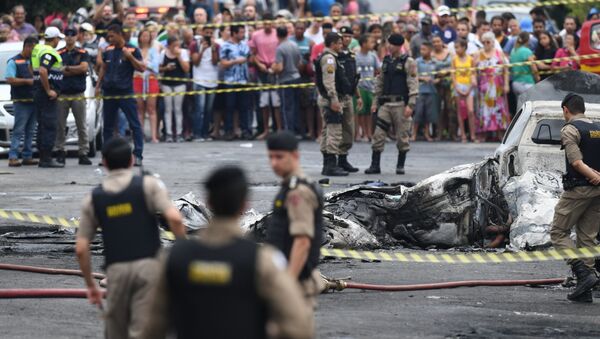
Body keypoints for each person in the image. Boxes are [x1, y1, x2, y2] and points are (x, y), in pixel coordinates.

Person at [142, 165, 312, 339]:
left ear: (208, 201)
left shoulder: (174, 258)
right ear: (244, 205)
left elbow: (152, 327)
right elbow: (298, 327)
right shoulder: (263, 259)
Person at [75, 137, 186, 338]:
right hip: (150, 268)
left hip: (117, 272)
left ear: (105, 162)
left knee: (116, 331)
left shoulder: (94, 198)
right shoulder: (148, 185)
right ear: (132, 160)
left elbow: (81, 248)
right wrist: (185, 252)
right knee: (146, 330)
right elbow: (175, 219)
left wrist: (91, 285)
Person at [265, 131, 324, 335]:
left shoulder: (298, 192)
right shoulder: (290, 186)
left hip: (296, 285)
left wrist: (287, 285)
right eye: (271, 157)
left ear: (295, 156)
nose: (274, 163)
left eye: (279, 157)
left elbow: (302, 242)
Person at [550, 93, 600, 303]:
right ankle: (585, 288)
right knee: (587, 237)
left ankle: (583, 274)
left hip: (579, 189)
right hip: (598, 192)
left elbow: (576, 163)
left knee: (558, 232)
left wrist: (594, 177)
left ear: (565, 110)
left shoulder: (570, 129)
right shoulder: (597, 128)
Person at [365, 34, 418, 175]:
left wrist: (411, 105)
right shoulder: (386, 61)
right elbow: (380, 82)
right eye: (389, 44)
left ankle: (400, 165)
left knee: (402, 136)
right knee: (378, 134)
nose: (389, 46)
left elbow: (413, 84)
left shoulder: (408, 62)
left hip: (400, 104)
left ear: (399, 46)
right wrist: (375, 102)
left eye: (392, 44)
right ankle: (375, 165)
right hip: (386, 104)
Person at [96, 24, 146, 166]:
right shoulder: (108, 50)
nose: (110, 39)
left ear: (120, 34)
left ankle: (138, 155)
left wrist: (130, 57)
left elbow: (142, 68)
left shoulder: (132, 49)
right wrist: (98, 86)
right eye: (108, 36)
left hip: (125, 92)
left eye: (112, 36)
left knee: (134, 124)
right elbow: (103, 68)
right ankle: (106, 156)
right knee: (108, 126)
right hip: (109, 92)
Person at [315, 32, 351, 177]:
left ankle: (327, 165)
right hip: (330, 100)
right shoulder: (329, 59)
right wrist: (334, 100)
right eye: (339, 43)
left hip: (327, 99)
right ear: (333, 44)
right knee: (334, 132)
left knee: (327, 131)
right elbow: (329, 82)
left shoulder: (328, 57)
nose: (341, 46)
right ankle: (330, 165)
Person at [55, 27, 92, 166]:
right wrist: (73, 70)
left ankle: (83, 153)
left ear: (77, 37)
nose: (70, 38)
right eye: (67, 35)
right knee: (60, 125)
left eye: (73, 35)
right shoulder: (59, 53)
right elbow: (57, 70)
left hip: (77, 93)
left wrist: (68, 69)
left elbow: (84, 68)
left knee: (81, 125)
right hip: (63, 93)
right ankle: (60, 151)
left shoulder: (82, 52)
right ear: (64, 37)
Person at [32, 27, 64, 168]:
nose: (59, 41)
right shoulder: (48, 52)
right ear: (55, 39)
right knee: (49, 125)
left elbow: (32, 68)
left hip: (38, 91)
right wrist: (49, 90)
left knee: (42, 125)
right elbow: (43, 70)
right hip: (46, 95)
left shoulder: (38, 48)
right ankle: (46, 159)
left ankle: (43, 157)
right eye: (58, 38)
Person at [7, 36, 38, 167]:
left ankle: (27, 156)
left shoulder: (35, 60)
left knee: (30, 130)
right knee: (19, 129)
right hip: (21, 101)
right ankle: (13, 156)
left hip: (34, 100)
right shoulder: (14, 61)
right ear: (27, 47)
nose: (35, 51)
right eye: (33, 48)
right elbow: (10, 79)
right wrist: (27, 81)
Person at [250, 13, 281, 140]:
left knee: (276, 102)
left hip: (275, 69)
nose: (268, 25)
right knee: (264, 102)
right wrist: (259, 64)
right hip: (261, 69)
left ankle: (279, 129)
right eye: (265, 23)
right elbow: (253, 54)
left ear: (273, 23)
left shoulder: (277, 34)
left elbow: (281, 51)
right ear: (262, 23)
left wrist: (275, 64)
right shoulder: (256, 35)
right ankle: (266, 130)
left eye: (270, 23)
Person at [336, 26, 362, 173]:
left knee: (348, 129)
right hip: (337, 96)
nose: (347, 39)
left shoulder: (351, 56)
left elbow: (353, 79)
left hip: (348, 95)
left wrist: (358, 96)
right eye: (344, 36)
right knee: (335, 129)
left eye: (349, 36)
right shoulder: (335, 55)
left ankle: (343, 159)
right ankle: (333, 161)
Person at [220, 24, 251, 141]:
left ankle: (245, 130)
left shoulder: (244, 45)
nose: (243, 35)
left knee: (244, 107)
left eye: (244, 32)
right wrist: (235, 61)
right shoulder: (225, 46)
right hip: (230, 80)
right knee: (230, 107)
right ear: (234, 33)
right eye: (241, 32)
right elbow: (223, 63)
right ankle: (229, 130)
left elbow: (248, 58)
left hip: (243, 80)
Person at [476, 31, 510, 142]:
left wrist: (506, 84)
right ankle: (484, 133)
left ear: (492, 42)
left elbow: (505, 69)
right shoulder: (478, 54)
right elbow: (473, 70)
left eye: (488, 42)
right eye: (484, 42)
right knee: (484, 109)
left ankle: (500, 133)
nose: (486, 44)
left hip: (497, 85)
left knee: (499, 109)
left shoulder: (499, 53)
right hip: (484, 86)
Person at [159, 36, 190, 143]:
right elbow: (158, 68)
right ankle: (169, 133)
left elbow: (186, 69)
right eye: (174, 46)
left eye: (178, 45)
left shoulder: (183, 52)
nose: (176, 47)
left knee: (178, 109)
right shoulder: (163, 53)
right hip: (166, 84)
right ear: (169, 45)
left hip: (180, 83)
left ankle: (179, 133)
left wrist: (179, 56)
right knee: (168, 109)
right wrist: (166, 68)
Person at [190, 25, 219, 141]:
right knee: (200, 108)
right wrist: (202, 50)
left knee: (208, 109)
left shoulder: (216, 45)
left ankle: (205, 133)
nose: (208, 35)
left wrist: (212, 49)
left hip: (212, 79)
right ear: (202, 32)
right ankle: (197, 133)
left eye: (211, 33)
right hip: (199, 80)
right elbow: (195, 62)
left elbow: (215, 61)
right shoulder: (195, 45)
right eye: (206, 32)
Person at [272, 26, 302, 134]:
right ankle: (298, 130)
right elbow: (299, 63)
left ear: (277, 35)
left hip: (286, 80)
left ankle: (288, 131)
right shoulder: (294, 45)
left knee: (286, 108)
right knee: (296, 106)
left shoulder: (280, 48)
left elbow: (279, 68)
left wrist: (273, 68)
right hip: (296, 77)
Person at [135, 29, 161, 143]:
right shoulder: (136, 50)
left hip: (150, 79)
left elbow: (156, 67)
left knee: (151, 108)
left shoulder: (154, 51)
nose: (145, 38)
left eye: (147, 36)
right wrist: (142, 65)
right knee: (139, 109)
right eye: (143, 35)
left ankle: (154, 135)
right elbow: (134, 64)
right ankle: (140, 135)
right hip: (138, 79)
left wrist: (145, 64)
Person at [452, 38, 477, 143]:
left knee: (470, 111)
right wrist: (456, 87)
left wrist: (471, 86)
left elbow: (473, 73)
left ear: (464, 47)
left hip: (468, 85)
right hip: (458, 85)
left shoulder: (470, 59)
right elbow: (453, 74)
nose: (456, 50)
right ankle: (463, 135)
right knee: (460, 111)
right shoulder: (454, 59)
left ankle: (473, 135)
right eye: (455, 48)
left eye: (458, 47)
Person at [355, 34, 379, 143]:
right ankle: (360, 132)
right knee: (360, 112)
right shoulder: (356, 56)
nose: (373, 44)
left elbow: (377, 69)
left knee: (370, 112)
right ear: (363, 44)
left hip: (371, 86)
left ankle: (369, 133)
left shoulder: (373, 55)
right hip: (360, 86)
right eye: (371, 42)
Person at [432, 34, 455, 141]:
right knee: (438, 109)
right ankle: (439, 133)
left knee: (450, 109)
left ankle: (452, 133)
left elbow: (453, 67)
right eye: (434, 42)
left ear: (442, 42)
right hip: (436, 85)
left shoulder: (449, 53)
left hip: (449, 84)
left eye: (438, 41)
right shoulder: (431, 55)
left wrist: (445, 72)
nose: (436, 44)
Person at [510, 32, 539, 97]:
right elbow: (533, 67)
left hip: (515, 83)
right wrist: (537, 78)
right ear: (528, 40)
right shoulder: (527, 51)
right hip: (527, 83)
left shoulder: (513, 51)